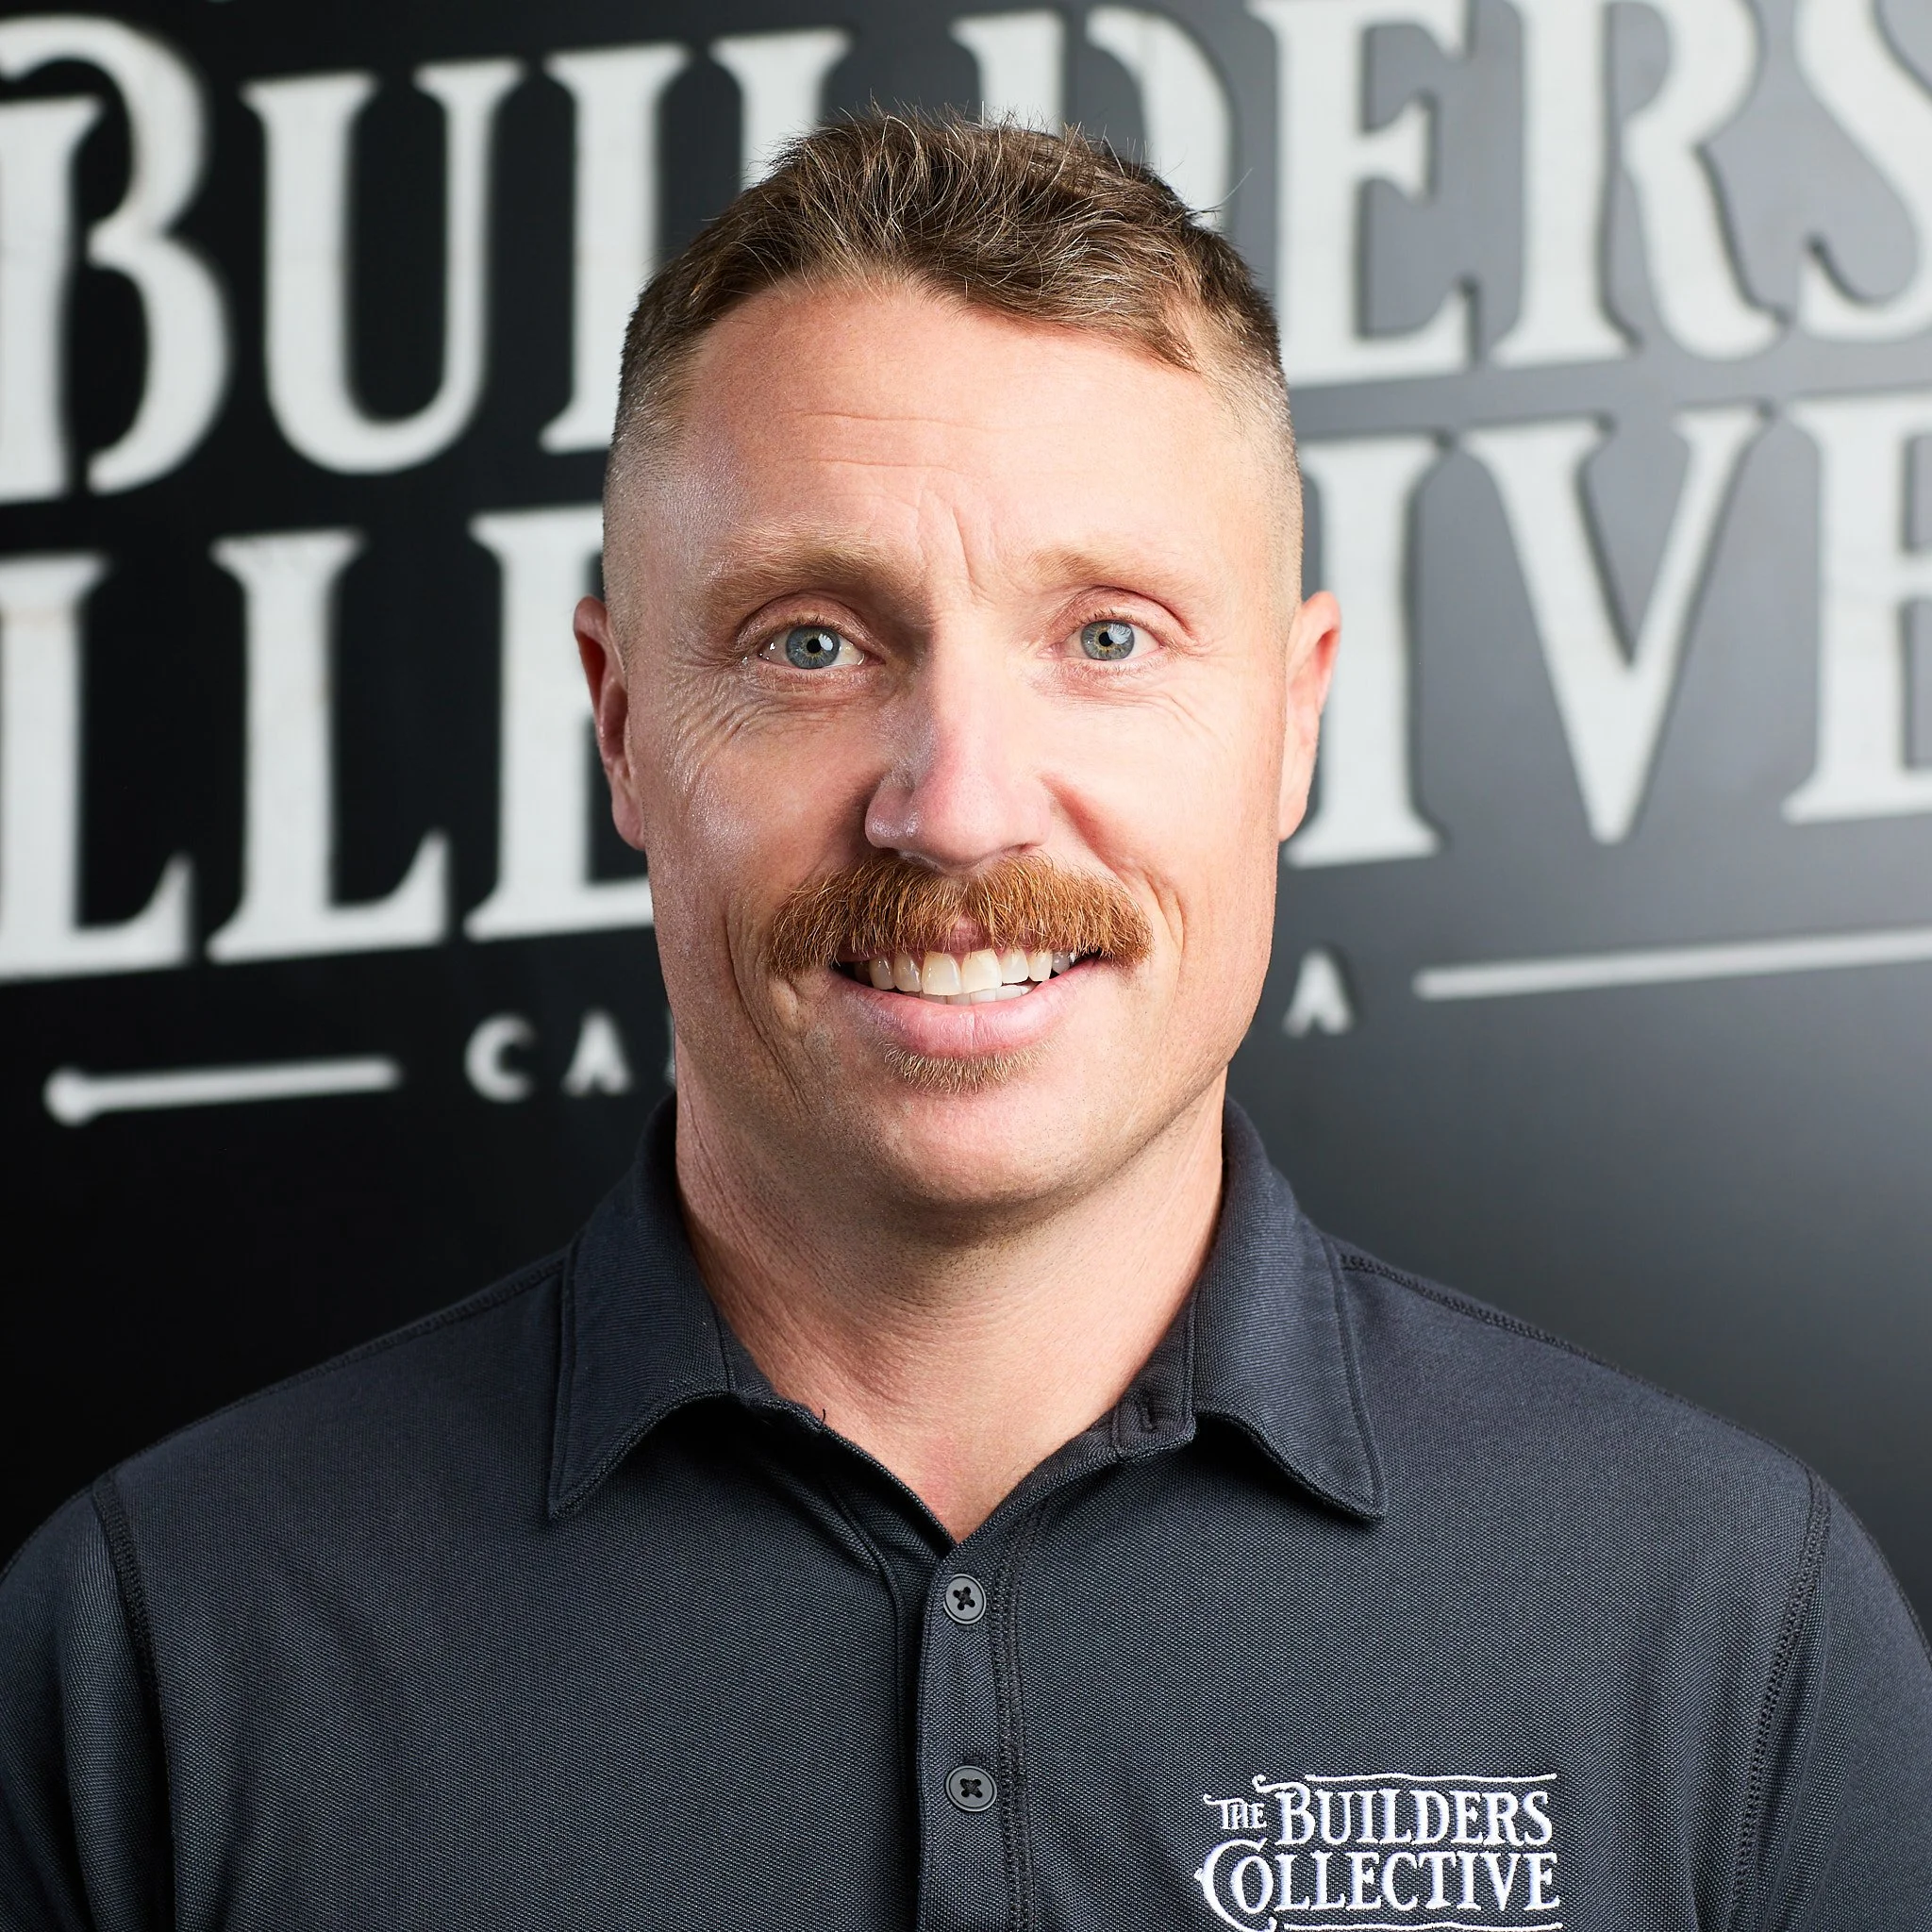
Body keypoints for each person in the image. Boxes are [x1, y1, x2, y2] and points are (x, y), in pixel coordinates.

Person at [2, 113, 1927, 1932]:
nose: (957, 805)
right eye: (812, 642)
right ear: (615, 718)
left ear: (1292, 717)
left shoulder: (1731, 1623)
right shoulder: (153, 1651)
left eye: (1108, 637)